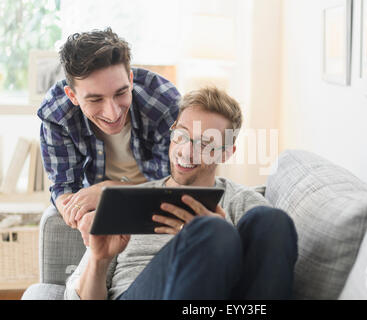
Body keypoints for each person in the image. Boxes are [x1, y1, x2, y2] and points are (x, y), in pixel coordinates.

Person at [65, 87, 298, 300]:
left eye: (205, 144)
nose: (186, 152)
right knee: (213, 230)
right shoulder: (127, 201)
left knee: (273, 221)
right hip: (139, 293)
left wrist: (219, 243)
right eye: (182, 135)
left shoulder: (245, 204)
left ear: (226, 153)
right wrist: (99, 260)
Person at [38, 28, 180, 229]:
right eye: (95, 99)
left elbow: (175, 187)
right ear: (72, 96)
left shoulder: (165, 103)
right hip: (99, 208)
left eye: (121, 93)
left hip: (156, 211)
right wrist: (79, 216)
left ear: (130, 80)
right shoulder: (56, 114)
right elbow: (64, 188)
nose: (113, 114)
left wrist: (110, 191)